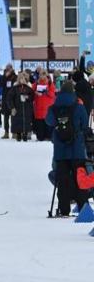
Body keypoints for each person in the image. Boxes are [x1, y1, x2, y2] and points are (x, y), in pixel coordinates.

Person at [46, 80, 89, 216]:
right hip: (77, 149)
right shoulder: (78, 106)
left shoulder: (53, 107)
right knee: (80, 179)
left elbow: (49, 121)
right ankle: (83, 208)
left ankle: (64, 209)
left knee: (63, 180)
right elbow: (84, 124)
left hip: (60, 150)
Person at [7, 72, 35, 142]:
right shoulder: (14, 88)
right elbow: (9, 98)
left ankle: (25, 134)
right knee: (17, 121)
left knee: (26, 121)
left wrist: (27, 97)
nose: (22, 80)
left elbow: (32, 97)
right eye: (20, 79)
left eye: (23, 79)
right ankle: (18, 134)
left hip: (26, 108)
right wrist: (12, 107)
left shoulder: (28, 88)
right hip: (17, 108)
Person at [32, 71, 56, 141]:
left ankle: (48, 137)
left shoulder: (50, 83)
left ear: (46, 75)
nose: (42, 76)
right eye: (41, 75)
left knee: (47, 123)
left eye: (44, 74)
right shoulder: (36, 83)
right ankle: (40, 137)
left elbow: (53, 95)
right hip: (38, 107)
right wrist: (35, 93)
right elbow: (32, 93)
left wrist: (47, 92)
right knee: (39, 124)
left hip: (47, 107)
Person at [0, 64, 18, 138]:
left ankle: (14, 132)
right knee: (6, 117)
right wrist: (5, 76)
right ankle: (6, 132)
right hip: (5, 99)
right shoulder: (3, 76)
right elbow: (0, 84)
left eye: (9, 68)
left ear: (12, 69)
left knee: (13, 116)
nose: (8, 70)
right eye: (7, 68)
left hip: (13, 99)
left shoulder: (15, 76)